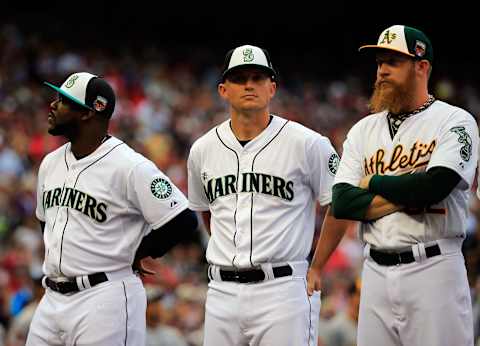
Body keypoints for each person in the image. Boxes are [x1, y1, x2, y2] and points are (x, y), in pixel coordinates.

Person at [187, 44, 351, 346]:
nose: (249, 84)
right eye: (239, 78)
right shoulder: (202, 149)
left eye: (258, 77)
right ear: (223, 90)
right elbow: (206, 211)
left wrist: (317, 265)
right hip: (222, 291)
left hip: (283, 289)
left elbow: (341, 202)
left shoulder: (308, 143)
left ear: (272, 88)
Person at [331, 25, 478, 346]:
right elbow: (342, 202)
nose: (382, 70)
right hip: (374, 274)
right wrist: (410, 189)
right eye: (379, 62)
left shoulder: (455, 121)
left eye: (393, 62)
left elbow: (435, 186)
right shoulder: (362, 130)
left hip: (433, 268)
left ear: (421, 66)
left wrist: (373, 182)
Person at [26, 72, 198, 346]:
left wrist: (138, 251)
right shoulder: (50, 163)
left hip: (105, 298)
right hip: (52, 298)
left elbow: (183, 219)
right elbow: (45, 222)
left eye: (64, 101)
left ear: (89, 113)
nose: (53, 105)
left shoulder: (129, 166)